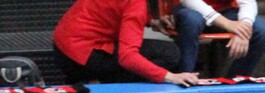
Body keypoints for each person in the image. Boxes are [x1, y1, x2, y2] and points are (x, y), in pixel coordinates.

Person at [53, 0, 198, 85]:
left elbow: (114, 10)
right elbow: (127, 57)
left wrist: (151, 21)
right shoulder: (136, 4)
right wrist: (172, 77)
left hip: (63, 49)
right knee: (170, 54)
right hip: (83, 57)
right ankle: (99, 82)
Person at [172, 0, 265, 77]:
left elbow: (248, 3)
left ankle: (235, 82)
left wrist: (244, 28)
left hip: (225, 10)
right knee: (191, 20)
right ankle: (183, 78)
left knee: (262, 31)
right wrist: (227, 23)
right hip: (191, 9)